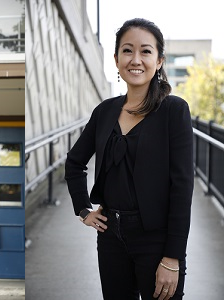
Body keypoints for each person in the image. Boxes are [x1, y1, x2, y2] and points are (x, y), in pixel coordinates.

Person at [65, 18, 191, 300]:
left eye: (146, 51)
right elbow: (74, 163)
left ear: (159, 61)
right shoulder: (105, 111)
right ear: (116, 59)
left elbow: (182, 188)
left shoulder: (174, 111)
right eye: (127, 50)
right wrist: (83, 209)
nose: (136, 59)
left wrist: (172, 258)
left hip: (156, 239)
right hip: (110, 236)